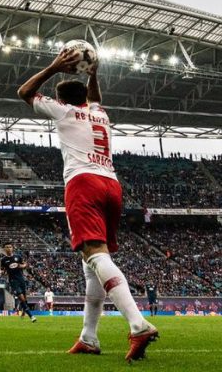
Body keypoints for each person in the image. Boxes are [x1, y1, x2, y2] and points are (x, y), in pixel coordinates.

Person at [18, 48, 158, 362]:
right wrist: (93, 73)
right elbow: (94, 98)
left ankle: (138, 325)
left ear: (63, 100)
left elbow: (24, 91)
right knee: (90, 266)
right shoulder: (100, 113)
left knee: (95, 256)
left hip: (83, 183)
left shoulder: (64, 111)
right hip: (111, 184)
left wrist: (54, 67)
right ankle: (89, 337)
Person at [0, 243, 36, 322]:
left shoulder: (18, 257)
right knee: (21, 297)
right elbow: (2, 270)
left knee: (24, 298)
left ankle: (24, 310)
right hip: (13, 281)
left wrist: (21, 266)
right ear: (4, 249)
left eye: (10, 247)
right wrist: (2, 272)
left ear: (12, 248)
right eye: (7, 247)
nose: (9, 248)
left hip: (21, 279)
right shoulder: (3, 260)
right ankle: (31, 316)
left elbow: (25, 264)